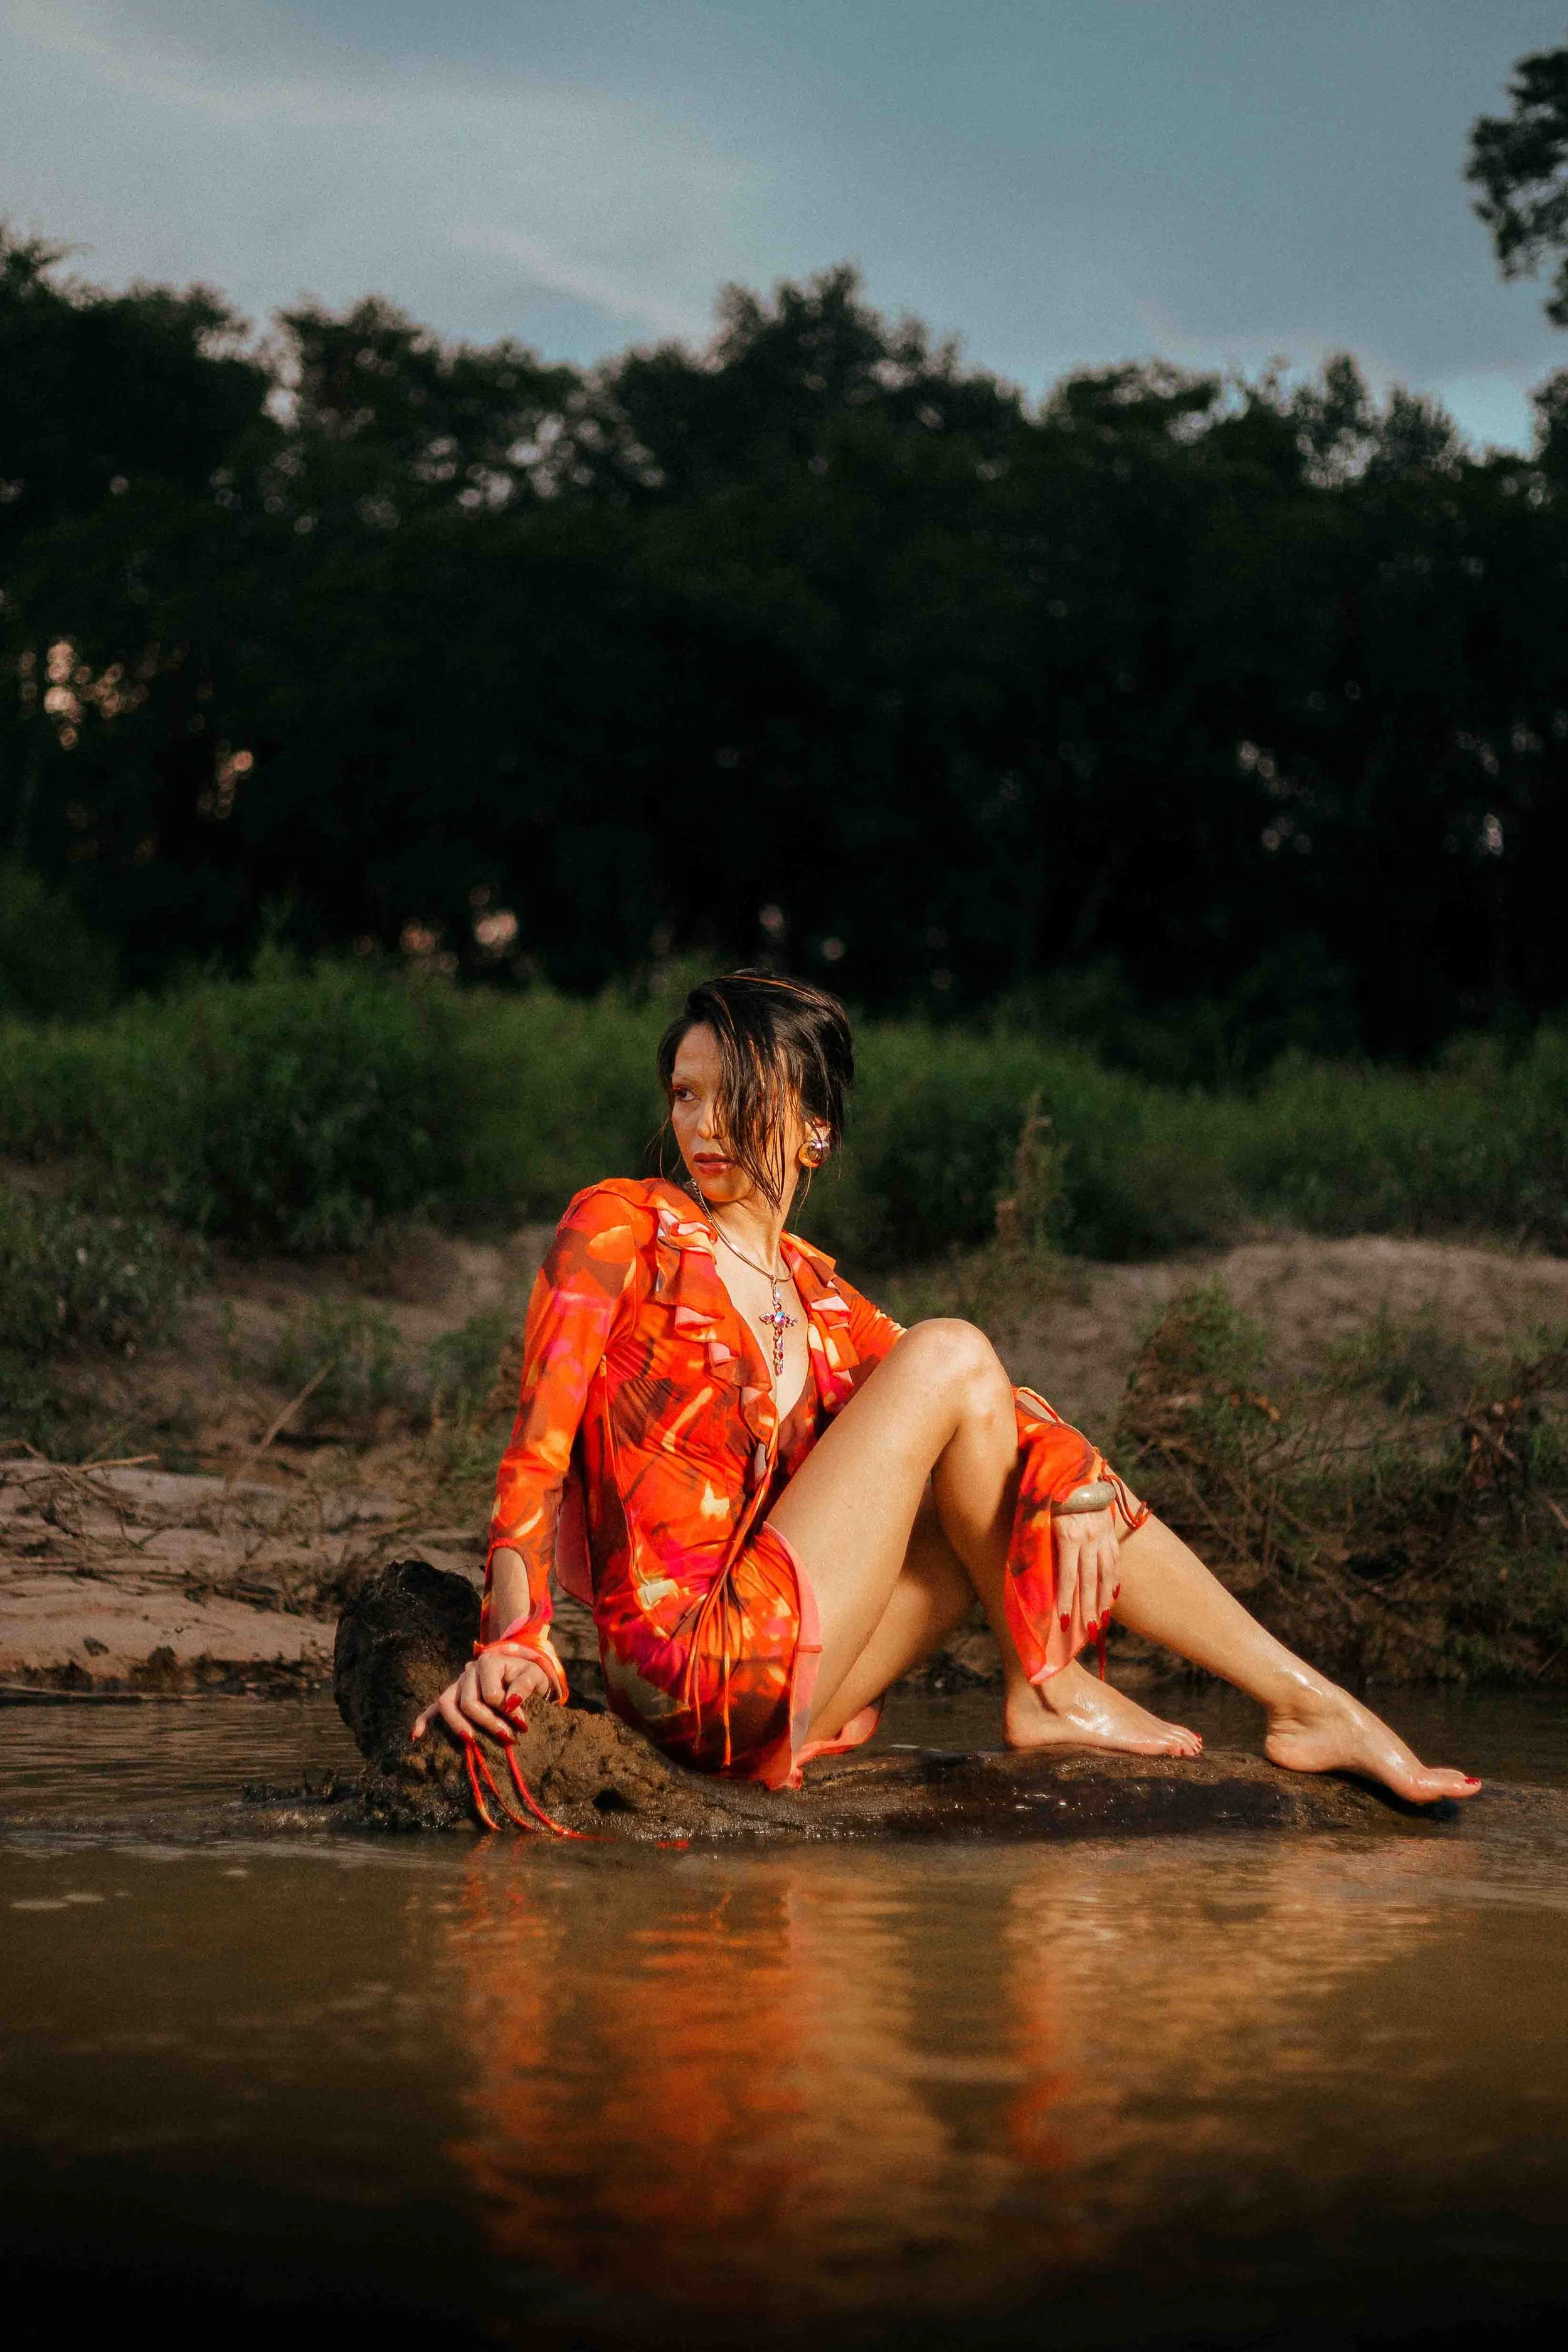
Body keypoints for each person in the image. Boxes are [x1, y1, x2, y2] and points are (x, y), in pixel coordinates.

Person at [414, 972, 1480, 1807]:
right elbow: (537, 1442)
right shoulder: (623, 1224)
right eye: (685, 1093)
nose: (702, 1121)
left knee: (1004, 1449)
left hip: (796, 1689)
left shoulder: (825, 1301)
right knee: (956, 1351)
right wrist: (513, 1638)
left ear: (813, 1127)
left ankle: (1302, 1701)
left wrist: (1070, 1479)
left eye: (734, 1094)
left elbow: (1000, 1417)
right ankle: (1054, 1685)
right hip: (691, 1678)